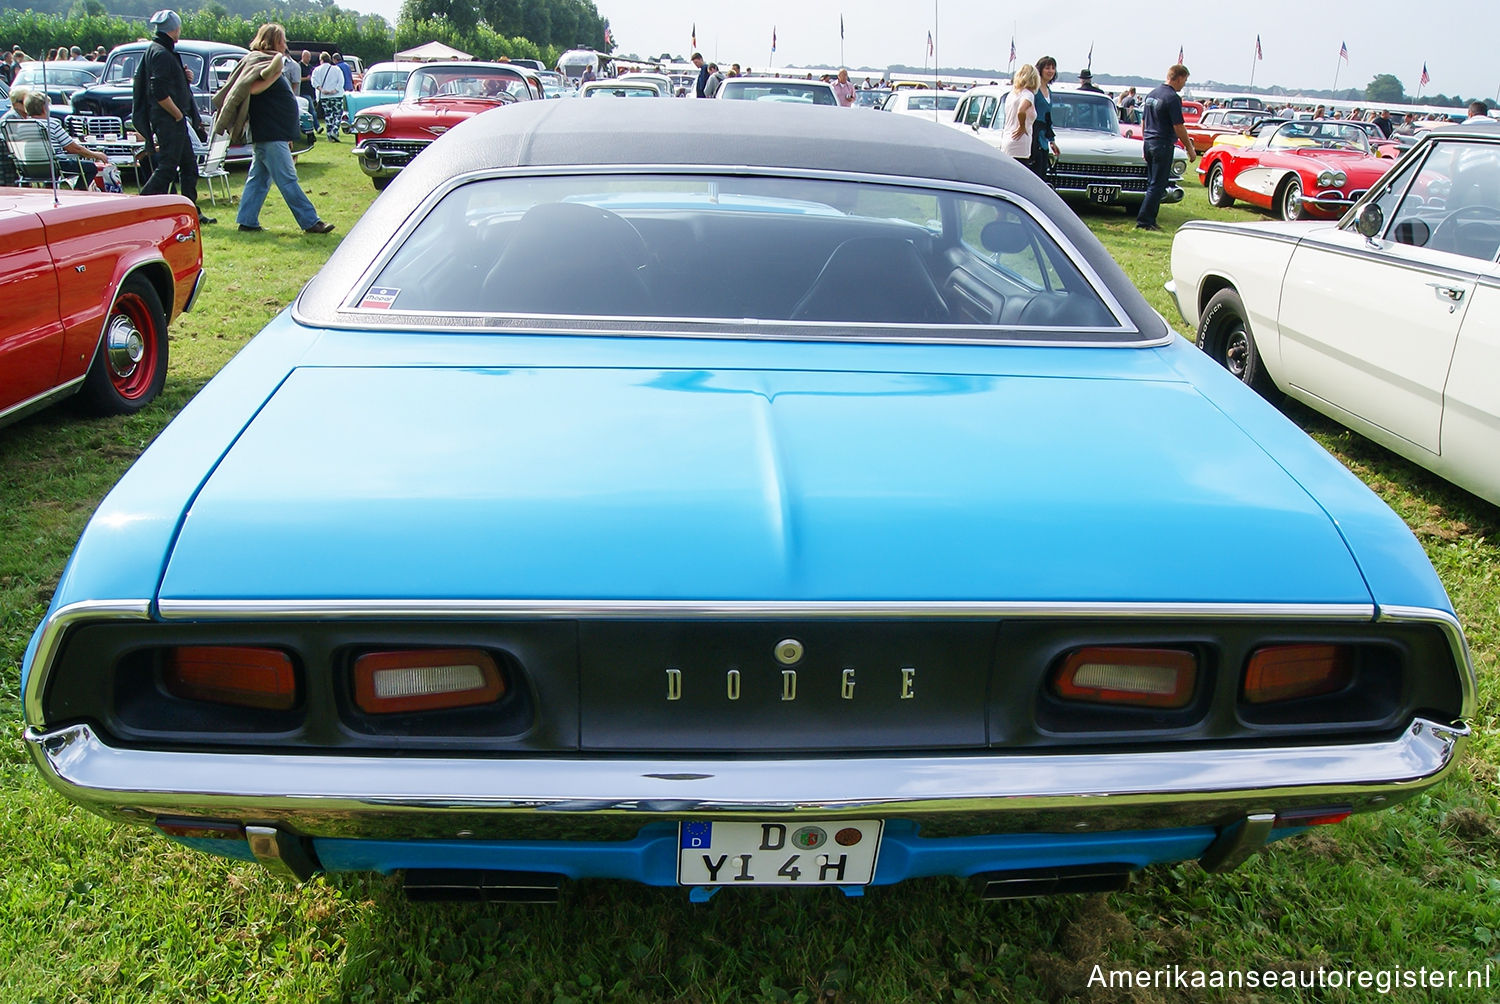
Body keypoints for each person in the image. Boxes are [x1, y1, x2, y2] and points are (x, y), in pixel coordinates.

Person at [217, 23, 333, 236]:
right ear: (272, 41)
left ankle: (247, 221)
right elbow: (249, 88)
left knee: (259, 178)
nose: (285, 45)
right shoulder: (263, 63)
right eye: (282, 40)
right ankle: (310, 222)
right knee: (288, 179)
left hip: (271, 132)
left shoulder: (268, 62)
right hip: (270, 132)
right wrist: (275, 71)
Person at [133, 10, 212, 224]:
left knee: (189, 167)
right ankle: (137, 208)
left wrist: (183, 77)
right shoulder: (161, 53)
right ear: (174, 29)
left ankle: (189, 211)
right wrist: (177, 114)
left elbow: (166, 81)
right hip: (169, 119)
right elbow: (158, 90)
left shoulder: (159, 50)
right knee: (167, 168)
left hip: (172, 119)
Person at [1135, 64, 1197, 231]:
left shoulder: (1151, 94)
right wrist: (1190, 148)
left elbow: (1144, 121)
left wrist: (1144, 142)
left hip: (1149, 142)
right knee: (1158, 184)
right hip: (1162, 143)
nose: (1184, 84)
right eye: (1184, 80)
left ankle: (1149, 218)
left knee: (1151, 183)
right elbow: (1178, 126)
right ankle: (1145, 221)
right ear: (1178, 78)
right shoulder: (1172, 98)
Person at [25, 91, 109, 185]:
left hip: (28, 167)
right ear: (44, 109)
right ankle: (79, 191)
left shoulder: (22, 126)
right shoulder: (51, 124)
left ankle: (49, 188)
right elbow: (73, 148)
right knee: (90, 168)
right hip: (53, 166)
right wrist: (95, 154)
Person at [1000, 63, 1039, 164]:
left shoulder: (1012, 94)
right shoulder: (1028, 95)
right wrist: (1022, 126)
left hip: (1007, 137)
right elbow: (1021, 110)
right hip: (1020, 141)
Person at [1030, 56, 1060, 181]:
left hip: (1044, 138)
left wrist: (1052, 140)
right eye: (1047, 68)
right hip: (1033, 137)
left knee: (1043, 173)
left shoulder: (1049, 91)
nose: (1050, 71)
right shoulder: (1034, 90)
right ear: (1040, 70)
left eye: (1053, 68)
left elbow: (1048, 118)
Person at [310, 50, 344, 141]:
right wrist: (335, 90)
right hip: (337, 95)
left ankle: (329, 134)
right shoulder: (336, 69)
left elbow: (314, 82)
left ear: (321, 60)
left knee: (328, 115)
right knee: (338, 114)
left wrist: (322, 90)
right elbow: (341, 81)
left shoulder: (316, 70)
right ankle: (335, 130)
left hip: (324, 96)